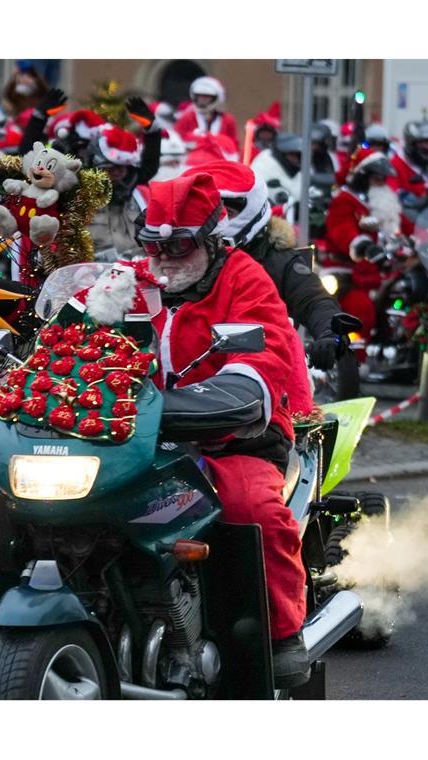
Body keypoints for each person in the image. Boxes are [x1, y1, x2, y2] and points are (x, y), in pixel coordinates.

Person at [135, 172, 312, 687]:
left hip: (236, 434)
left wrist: (230, 394)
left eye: (179, 244)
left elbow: (269, 347)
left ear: (212, 240)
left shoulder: (245, 277)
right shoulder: (135, 279)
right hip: (143, 436)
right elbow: (79, 320)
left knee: (250, 507)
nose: (164, 256)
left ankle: (281, 632)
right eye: (153, 244)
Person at [191, 160, 347, 378]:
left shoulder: (280, 261)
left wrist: (330, 333)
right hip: (187, 373)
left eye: (226, 212)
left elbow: (314, 299)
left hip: (262, 376)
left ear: (252, 209)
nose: (218, 220)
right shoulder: (174, 256)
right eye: (206, 211)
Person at [325, 147, 403, 333]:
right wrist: (364, 246)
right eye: (377, 179)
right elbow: (341, 230)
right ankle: (355, 357)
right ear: (363, 177)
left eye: (384, 179)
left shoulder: (380, 204)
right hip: (349, 274)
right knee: (361, 310)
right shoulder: (345, 201)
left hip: (381, 273)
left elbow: (404, 226)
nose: (382, 184)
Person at [85, 98, 162, 261]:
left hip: (135, 272)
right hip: (89, 273)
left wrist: (152, 130)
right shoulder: (81, 195)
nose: (119, 172)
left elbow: (149, 166)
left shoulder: (138, 191)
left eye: (123, 167)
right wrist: (39, 119)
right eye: (112, 167)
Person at [173, 76, 239, 153]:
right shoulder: (186, 118)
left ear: (215, 98)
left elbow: (234, 146)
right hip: (193, 160)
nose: (202, 101)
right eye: (199, 97)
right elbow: (176, 141)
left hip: (219, 159)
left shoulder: (227, 120)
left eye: (206, 98)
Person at [388, 119, 428, 206]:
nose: (426, 147)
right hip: (409, 213)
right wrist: (407, 197)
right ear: (411, 144)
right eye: (422, 143)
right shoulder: (396, 163)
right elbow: (392, 190)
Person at [252, 134, 303, 204]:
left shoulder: (298, 169)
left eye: (297, 155)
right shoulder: (264, 163)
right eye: (291, 154)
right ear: (281, 154)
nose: (295, 158)